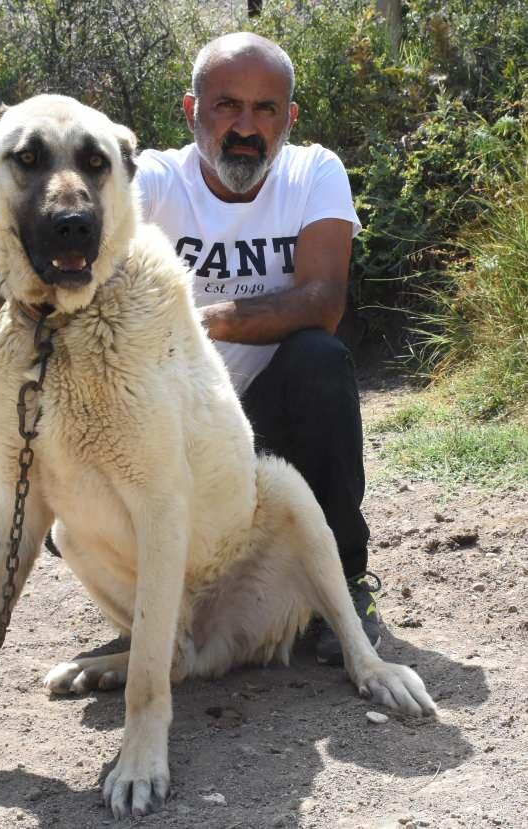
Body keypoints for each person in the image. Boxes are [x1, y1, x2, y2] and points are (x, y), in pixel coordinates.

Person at [135, 31, 380, 666]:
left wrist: (197, 320)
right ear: (192, 111)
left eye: (266, 109)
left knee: (319, 359)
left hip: (270, 423)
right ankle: (139, 593)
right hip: (178, 427)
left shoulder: (312, 172)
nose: (246, 127)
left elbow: (322, 302)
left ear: (288, 120)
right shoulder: (154, 181)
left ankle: (346, 585)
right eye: (226, 106)